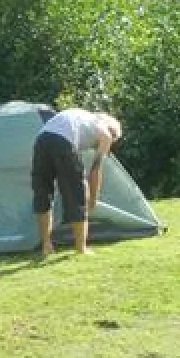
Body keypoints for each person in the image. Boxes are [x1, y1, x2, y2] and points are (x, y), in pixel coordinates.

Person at [31, 109, 122, 255]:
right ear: (113, 133)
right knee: (77, 195)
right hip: (63, 142)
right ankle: (81, 248)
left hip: (41, 140)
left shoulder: (84, 119)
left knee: (43, 193)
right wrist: (92, 201)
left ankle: (46, 246)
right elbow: (95, 171)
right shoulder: (106, 134)